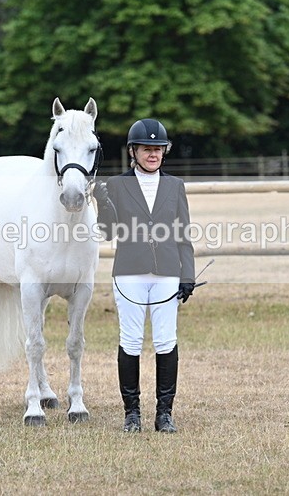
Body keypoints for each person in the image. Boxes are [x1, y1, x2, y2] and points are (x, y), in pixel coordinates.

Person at [93, 118, 195, 433]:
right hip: (129, 272)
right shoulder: (116, 185)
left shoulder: (175, 186)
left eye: (158, 149)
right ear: (133, 151)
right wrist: (102, 204)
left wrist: (187, 274)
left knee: (166, 340)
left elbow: (183, 234)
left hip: (167, 271)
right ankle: (132, 413)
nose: (153, 154)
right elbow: (108, 232)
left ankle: (164, 413)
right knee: (131, 340)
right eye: (146, 149)